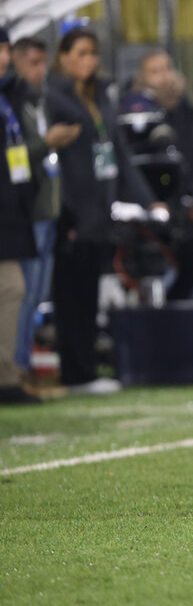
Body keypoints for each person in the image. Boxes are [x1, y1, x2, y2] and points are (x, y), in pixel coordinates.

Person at [46, 28, 159, 394]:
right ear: (63, 57)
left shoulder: (101, 97)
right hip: (73, 211)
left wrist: (148, 199)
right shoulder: (53, 98)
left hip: (99, 209)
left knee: (88, 292)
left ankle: (87, 368)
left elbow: (119, 155)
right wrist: (69, 213)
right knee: (70, 294)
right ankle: (76, 371)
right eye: (81, 52)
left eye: (93, 53)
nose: (89, 60)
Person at [120, 49, 193, 300]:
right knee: (175, 289)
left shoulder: (183, 109)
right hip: (163, 220)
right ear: (141, 79)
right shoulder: (140, 115)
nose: (164, 77)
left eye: (167, 69)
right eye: (155, 72)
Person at [12, 37, 80, 375]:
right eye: (34, 63)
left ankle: (22, 366)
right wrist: (47, 143)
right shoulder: (14, 104)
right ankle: (17, 368)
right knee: (22, 295)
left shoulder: (39, 102)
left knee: (35, 295)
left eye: (43, 63)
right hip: (29, 213)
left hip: (48, 213)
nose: (41, 71)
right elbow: (16, 156)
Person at [0, 27, 42, 404]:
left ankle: (9, 377)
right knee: (13, 288)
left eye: (4, 50)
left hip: (11, 210)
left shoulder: (10, 97)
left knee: (14, 289)